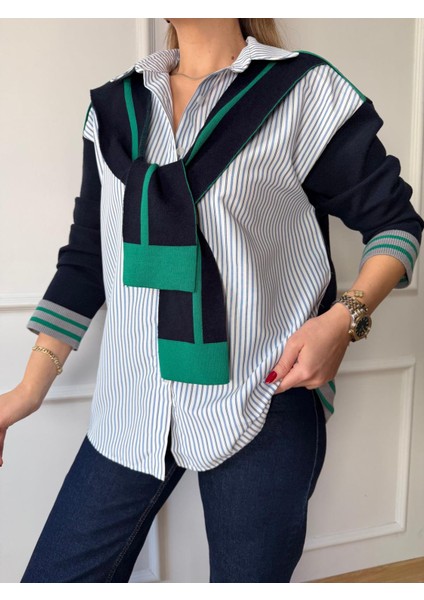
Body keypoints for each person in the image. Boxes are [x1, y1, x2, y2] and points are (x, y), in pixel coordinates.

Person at [1, 18, 422, 583]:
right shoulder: (114, 111)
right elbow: (87, 259)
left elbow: (395, 225)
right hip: (132, 404)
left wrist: (344, 321)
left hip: (261, 395)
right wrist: (28, 392)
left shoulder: (302, 93)